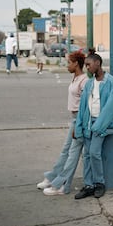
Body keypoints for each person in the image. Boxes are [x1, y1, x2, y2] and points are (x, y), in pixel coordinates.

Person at [36, 51, 88, 195]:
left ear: (76, 63)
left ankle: (62, 185)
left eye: (69, 63)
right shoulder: (76, 78)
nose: (67, 66)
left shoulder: (84, 80)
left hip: (80, 119)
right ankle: (53, 178)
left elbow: (86, 105)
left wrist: (79, 124)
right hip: (74, 119)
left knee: (73, 154)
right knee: (66, 150)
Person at [74, 50, 113, 199]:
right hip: (88, 123)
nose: (87, 67)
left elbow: (111, 106)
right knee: (86, 155)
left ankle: (99, 183)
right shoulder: (89, 84)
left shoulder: (110, 81)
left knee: (94, 153)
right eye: (86, 65)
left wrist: (99, 126)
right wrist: (79, 126)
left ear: (97, 63)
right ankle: (89, 185)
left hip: (101, 124)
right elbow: (82, 107)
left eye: (89, 64)